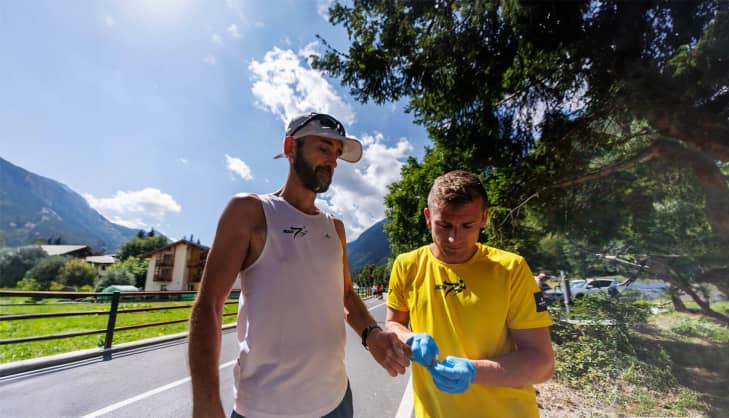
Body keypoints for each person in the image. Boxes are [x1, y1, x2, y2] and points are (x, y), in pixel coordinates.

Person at [188, 112, 410, 418]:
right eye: (323, 148)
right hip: (265, 410)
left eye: (337, 154)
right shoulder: (250, 212)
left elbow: (345, 295)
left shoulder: (336, 228)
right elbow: (209, 305)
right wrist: (206, 402)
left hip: (337, 402)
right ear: (291, 147)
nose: (332, 161)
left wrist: (372, 334)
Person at [385, 170, 555, 418]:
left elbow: (543, 365)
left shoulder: (511, 268)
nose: (455, 238)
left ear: (484, 217)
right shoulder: (407, 265)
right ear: (428, 217)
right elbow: (392, 323)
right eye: (444, 225)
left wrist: (475, 371)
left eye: (468, 225)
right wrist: (407, 337)